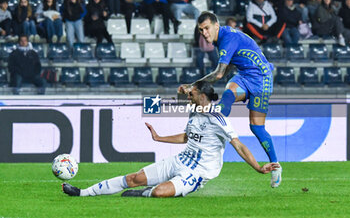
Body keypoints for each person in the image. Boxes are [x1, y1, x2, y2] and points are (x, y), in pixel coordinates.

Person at [62, 81, 280, 198]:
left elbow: (239, 146)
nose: (188, 97)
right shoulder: (194, 112)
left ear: (202, 97)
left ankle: (144, 194)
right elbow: (187, 137)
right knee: (132, 178)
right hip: (180, 160)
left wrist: (258, 168)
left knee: (159, 192)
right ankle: (82, 193)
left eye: (191, 94)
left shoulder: (218, 119)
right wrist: (159, 138)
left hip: (198, 172)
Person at [178, 11, 282, 188]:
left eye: (207, 28)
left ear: (216, 26)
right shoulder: (223, 38)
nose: (204, 33)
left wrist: (192, 85)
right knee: (228, 94)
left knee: (256, 127)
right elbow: (226, 69)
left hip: (262, 78)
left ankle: (276, 166)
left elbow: (219, 74)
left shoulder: (227, 39)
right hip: (243, 75)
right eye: (201, 30)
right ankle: (215, 127)